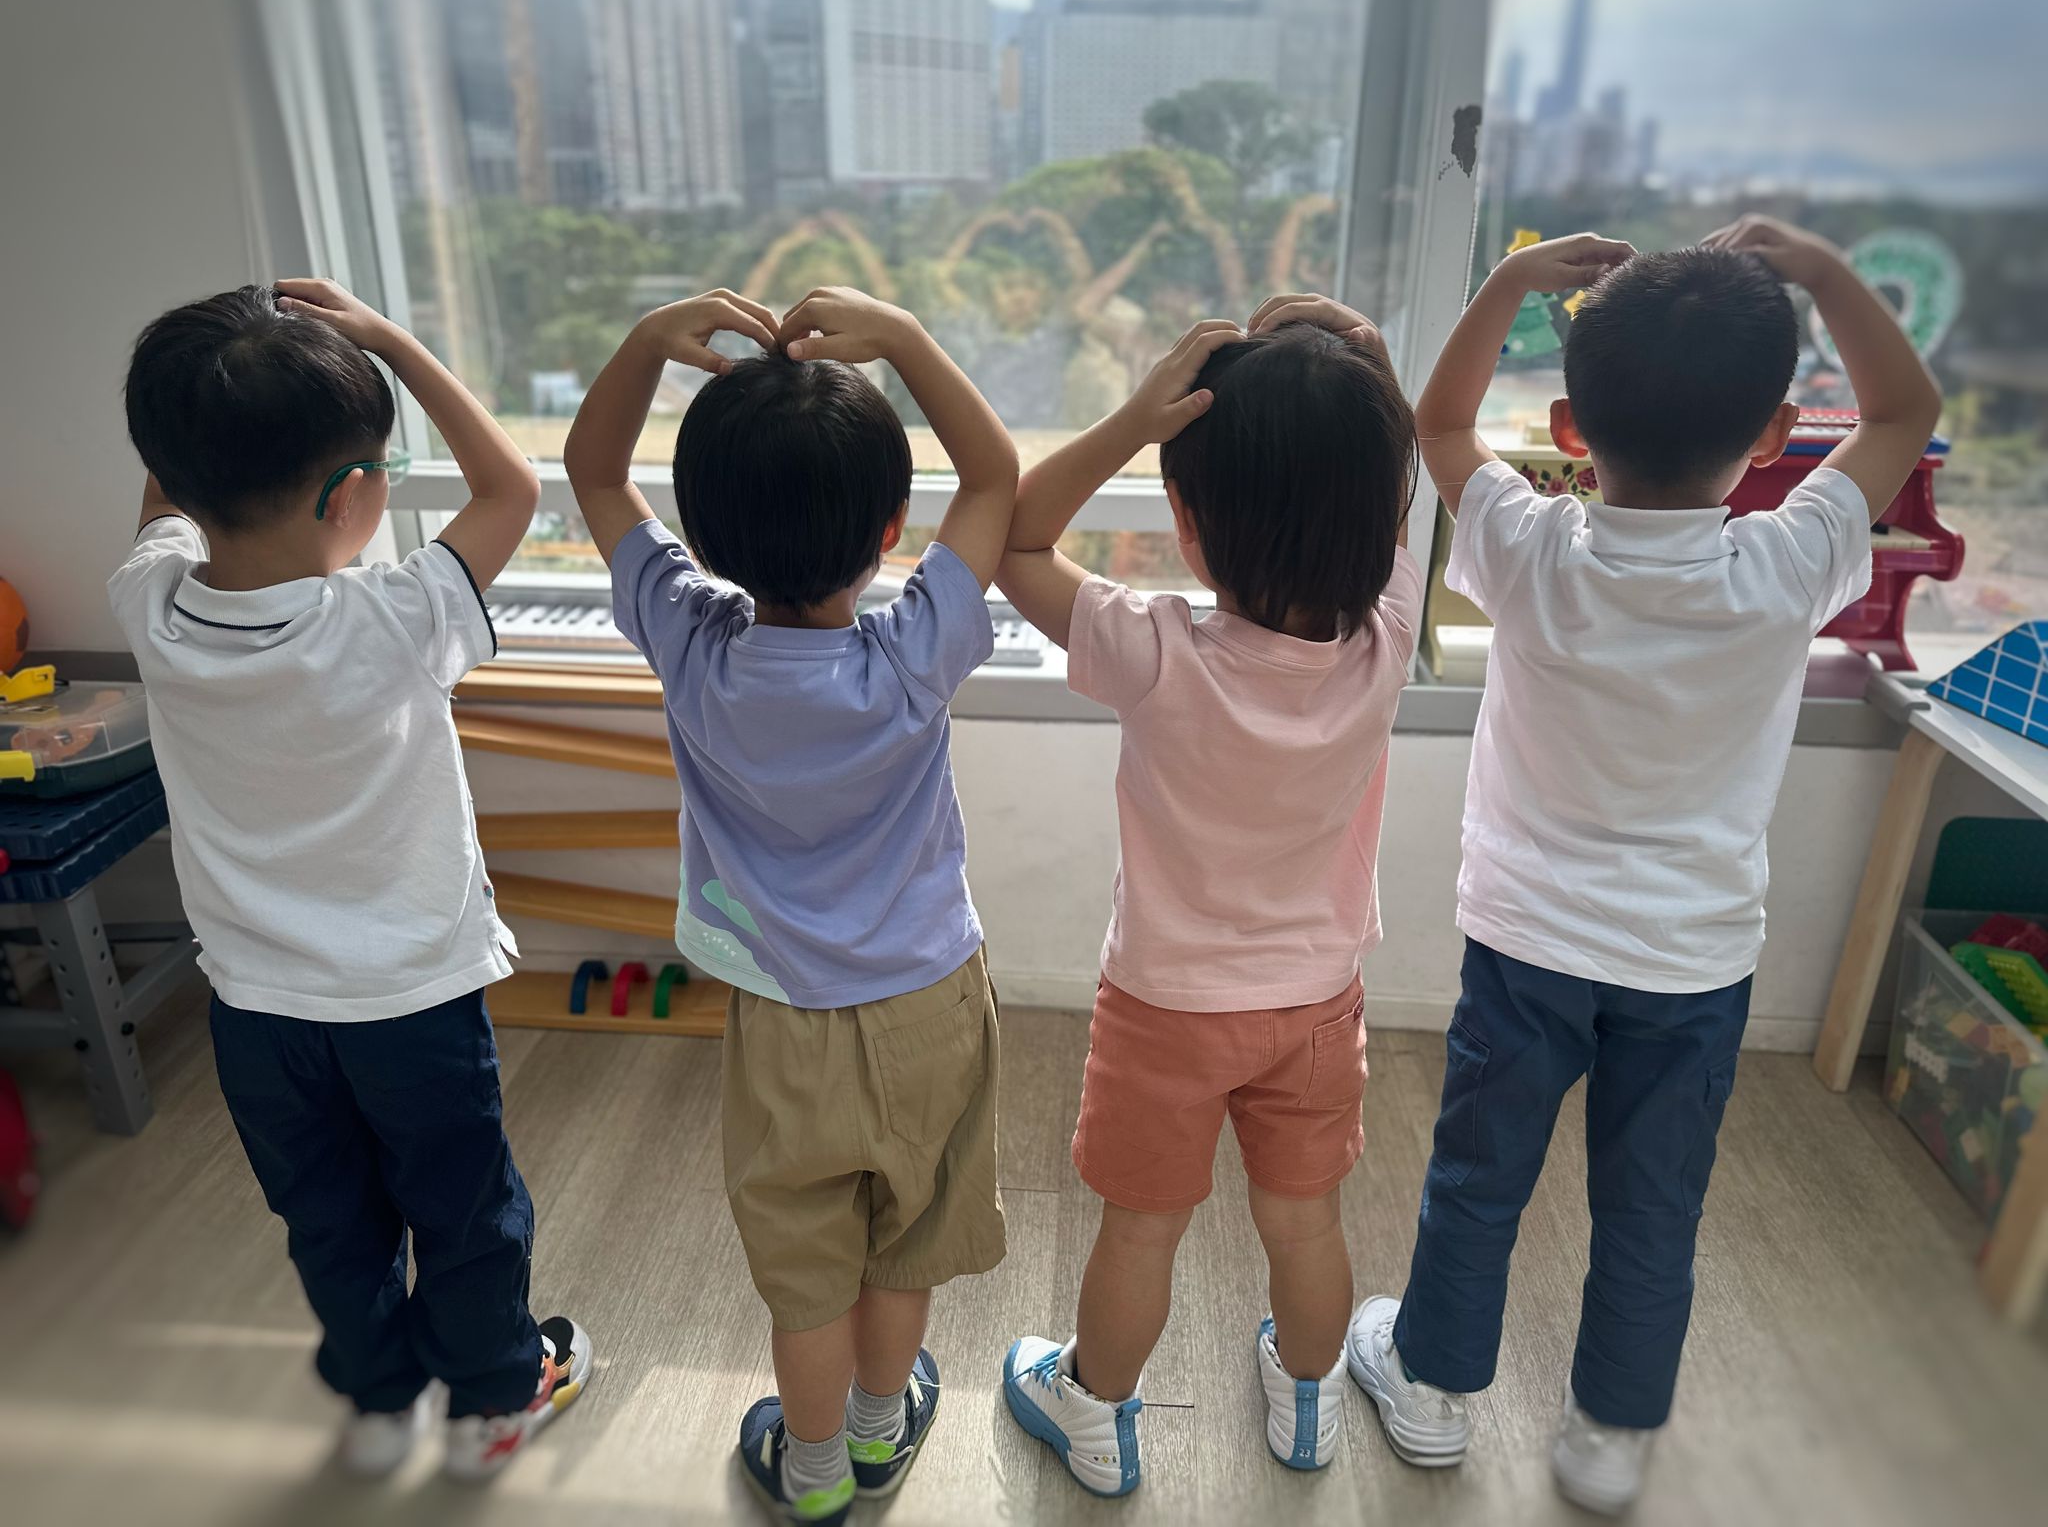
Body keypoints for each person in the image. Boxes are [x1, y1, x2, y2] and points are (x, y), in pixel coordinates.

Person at [1347, 219, 1943, 1514]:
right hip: (1695, 964)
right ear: (1779, 433)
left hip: (1526, 947)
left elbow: (1437, 430)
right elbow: (1903, 411)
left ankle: (1437, 1394)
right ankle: (1610, 1440)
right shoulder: (1788, 564)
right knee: (1654, 1207)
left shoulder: (1534, 549)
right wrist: (1825, 275)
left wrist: (1504, 279)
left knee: (1477, 1179)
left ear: (1569, 428)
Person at [109, 279, 592, 1480]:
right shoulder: (396, 619)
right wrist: (388, 341)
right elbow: (512, 488)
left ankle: (381, 1404)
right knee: (463, 1211)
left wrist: (205, 401)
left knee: (328, 1216)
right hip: (413, 1006)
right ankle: (492, 1400)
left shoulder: (152, 606)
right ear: (356, 495)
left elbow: (167, 499)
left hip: (259, 1013)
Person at [562, 286, 1017, 1526]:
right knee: (902, 1238)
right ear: (887, 529)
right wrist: (913, 341)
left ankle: (811, 1472)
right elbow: (995, 478)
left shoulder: (688, 640)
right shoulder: (913, 652)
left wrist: (646, 335)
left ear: (701, 537)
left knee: (807, 1267)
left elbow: (591, 470)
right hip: (929, 997)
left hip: (777, 1017)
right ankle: (881, 1428)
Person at [994, 304, 1423, 1492]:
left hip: (1165, 1010)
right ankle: (1304, 1405)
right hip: (1315, 1004)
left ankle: (1092, 1412)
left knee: (1142, 1230)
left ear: (1185, 525)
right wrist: (1373, 377)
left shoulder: (1152, 648)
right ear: (1376, 513)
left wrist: (1134, 419)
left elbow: (1013, 541)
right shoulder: (1387, 634)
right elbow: (1401, 498)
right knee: (1305, 1223)